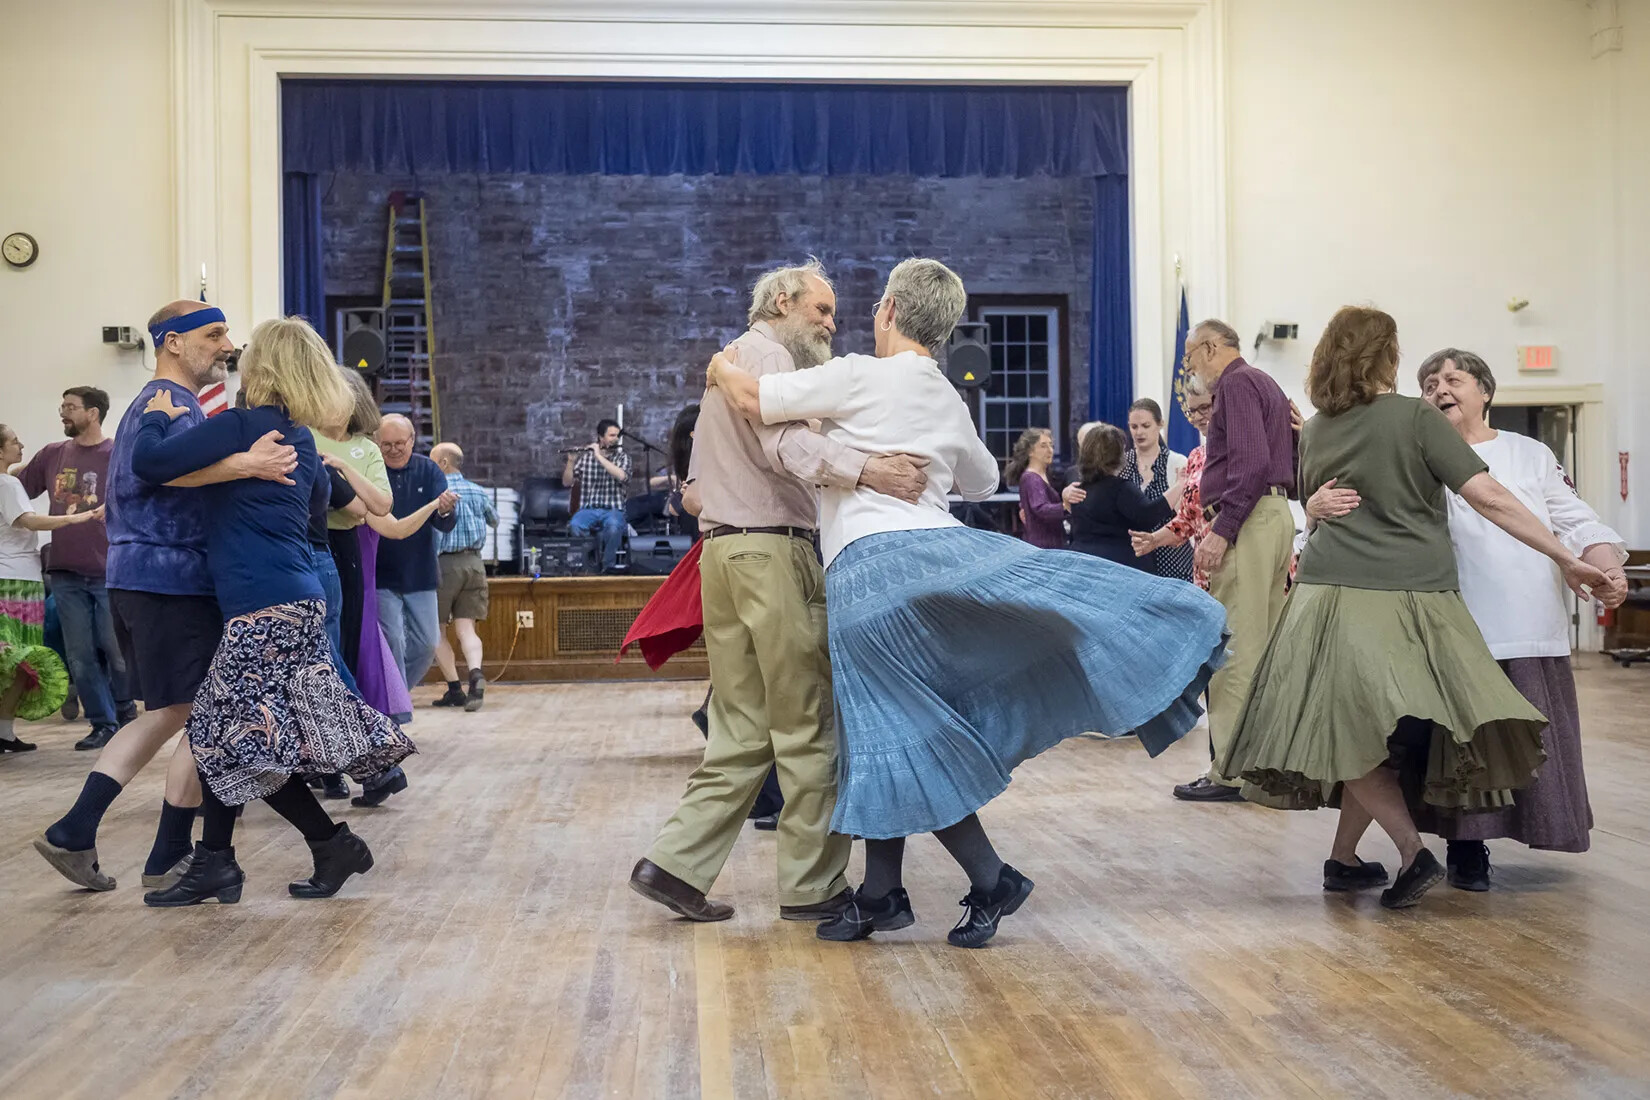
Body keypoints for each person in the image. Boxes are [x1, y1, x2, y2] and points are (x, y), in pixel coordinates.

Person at [708, 258, 1227, 948]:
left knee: (891, 730)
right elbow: (983, 482)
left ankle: (986, 880)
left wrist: (718, 365)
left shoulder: (859, 374)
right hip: (941, 557)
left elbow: (751, 398)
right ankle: (883, 892)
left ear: (888, 309)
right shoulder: (948, 397)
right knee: (892, 727)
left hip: (872, 570)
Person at [1218, 307, 1609, 910]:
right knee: (1377, 733)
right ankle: (1411, 851)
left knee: (1350, 730)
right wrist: (1565, 556)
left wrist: (1314, 506)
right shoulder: (1414, 418)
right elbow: (1490, 498)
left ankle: (1346, 860)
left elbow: (1312, 504)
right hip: (1414, 601)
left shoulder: (1318, 426)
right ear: (1386, 356)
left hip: (1328, 599)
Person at [629, 258, 930, 926]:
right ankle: (814, 886)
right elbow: (790, 450)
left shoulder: (731, 363)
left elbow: (700, 487)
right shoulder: (769, 359)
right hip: (773, 553)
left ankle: (673, 865)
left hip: (721, 554)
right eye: (822, 311)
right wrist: (873, 473)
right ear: (786, 300)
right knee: (808, 726)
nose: (831, 324)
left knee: (740, 729)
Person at [1307, 348, 1629, 889]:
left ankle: (1383, 856)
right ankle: (1463, 848)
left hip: (1524, 623)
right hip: (1440, 627)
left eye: (1453, 379)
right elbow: (1354, 520)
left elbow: (1578, 523)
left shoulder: (1530, 454)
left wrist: (1608, 571)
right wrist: (1312, 506)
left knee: (1512, 742)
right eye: (1428, 383)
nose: (1439, 390)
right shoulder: (1410, 450)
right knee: (1439, 745)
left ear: (1485, 391)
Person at [129, 316, 415, 907]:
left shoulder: (242, 425)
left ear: (265, 367)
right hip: (295, 597)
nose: (236, 354)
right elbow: (336, 505)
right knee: (239, 736)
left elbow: (149, 462)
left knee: (221, 733)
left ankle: (275, 851)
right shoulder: (298, 436)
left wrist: (158, 410)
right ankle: (241, 858)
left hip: (264, 605)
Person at [34, 301, 298, 894]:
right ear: (173, 342)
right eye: (213, 334)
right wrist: (245, 464)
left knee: (177, 714)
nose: (226, 345)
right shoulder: (169, 404)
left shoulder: (166, 405)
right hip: (169, 578)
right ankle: (156, 851)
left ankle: (92, 834)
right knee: (206, 716)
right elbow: (151, 473)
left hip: (148, 577)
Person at [1171, 319, 1297, 803]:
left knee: (1235, 652)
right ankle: (1263, 768)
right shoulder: (1265, 382)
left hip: (1246, 521)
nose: (1190, 367)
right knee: (1261, 650)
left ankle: (1231, 771)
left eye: (1190, 356)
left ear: (1209, 347)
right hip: (1271, 515)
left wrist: (1221, 532)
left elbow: (1247, 463)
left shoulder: (1237, 383)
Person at [12, 387, 136, 750]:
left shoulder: (118, 455)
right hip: (65, 572)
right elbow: (13, 488)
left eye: (70, 407)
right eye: (62, 406)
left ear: (93, 413)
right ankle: (103, 723)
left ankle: (126, 707)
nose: (62, 413)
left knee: (115, 650)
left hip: (109, 570)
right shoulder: (52, 454)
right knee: (80, 656)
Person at [1, 425, 103, 751]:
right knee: (18, 660)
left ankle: (4, 732)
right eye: (14, 442)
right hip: (15, 581)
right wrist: (74, 520)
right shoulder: (8, 483)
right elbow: (28, 521)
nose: (21, 446)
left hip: (15, 577)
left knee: (16, 662)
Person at [374, 414, 458, 713]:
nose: (394, 449)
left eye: (400, 443)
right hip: (379, 574)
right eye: (386, 444)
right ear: (376, 443)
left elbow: (444, 524)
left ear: (412, 440)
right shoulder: (372, 469)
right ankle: (394, 713)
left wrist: (446, 511)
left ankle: (393, 696)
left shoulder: (428, 470)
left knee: (425, 645)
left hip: (420, 573)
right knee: (393, 640)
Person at [1129, 374, 1216, 588]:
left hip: (1231, 556)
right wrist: (1154, 540)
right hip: (1203, 565)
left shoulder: (1239, 449)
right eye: (1191, 411)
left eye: (1204, 408)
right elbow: (1187, 519)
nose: (1196, 417)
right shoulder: (1196, 456)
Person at [429, 441, 497, 712]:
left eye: (433, 460)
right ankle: (476, 674)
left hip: (444, 565)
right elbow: (494, 521)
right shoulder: (479, 492)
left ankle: (455, 688)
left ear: (444, 463)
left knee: (436, 630)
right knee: (466, 628)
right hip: (475, 564)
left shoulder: (437, 493)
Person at [1066, 423, 1175, 569]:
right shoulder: (1120, 488)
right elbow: (1148, 515)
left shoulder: (1076, 489)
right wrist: (1180, 485)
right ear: (1117, 455)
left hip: (1081, 564)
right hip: (1118, 569)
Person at [1121, 398, 1192, 581]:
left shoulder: (1178, 463)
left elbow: (1186, 514)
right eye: (1134, 427)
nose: (1139, 432)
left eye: (1145, 425)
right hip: (1132, 557)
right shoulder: (1122, 463)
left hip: (1172, 556)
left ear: (1160, 424)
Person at [564, 420, 632, 573]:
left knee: (614, 527)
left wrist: (598, 455)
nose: (616, 439)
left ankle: (607, 567)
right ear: (601, 437)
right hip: (589, 509)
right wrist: (570, 461)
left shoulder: (623, 458)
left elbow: (621, 476)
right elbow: (567, 483)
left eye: (617, 435)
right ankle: (590, 564)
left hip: (614, 509)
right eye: (611, 435)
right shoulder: (586, 459)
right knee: (575, 525)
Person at [1005, 428, 1065, 549]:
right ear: (1030, 451)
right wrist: (1066, 507)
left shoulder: (1045, 475)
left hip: (1051, 541)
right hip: (1042, 545)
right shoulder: (1032, 478)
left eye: (1051, 445)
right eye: (1043, 446)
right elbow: (1041, 508)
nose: (1050, 450)